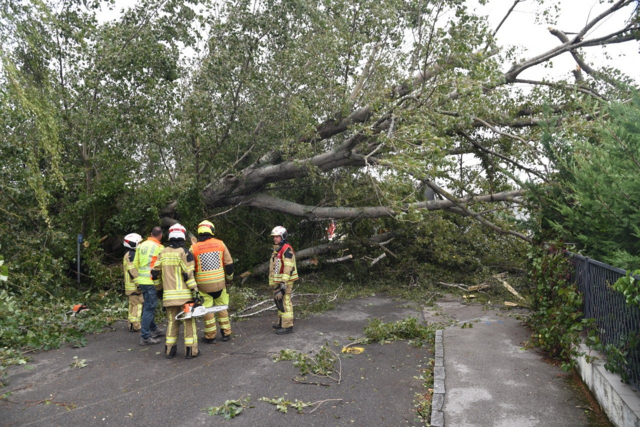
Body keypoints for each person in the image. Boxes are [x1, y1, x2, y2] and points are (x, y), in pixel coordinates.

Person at [153, 223, 200, 359]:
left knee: (172, 322)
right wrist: (195, 293)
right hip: (186, 297)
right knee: (189, 323)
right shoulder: (185, 253)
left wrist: (159, 290)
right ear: (183, 236)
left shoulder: (163, 253)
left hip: (169, 297)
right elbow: (188, 275)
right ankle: (191, 351)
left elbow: (155, 273)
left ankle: (169, 351)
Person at [190, 220, 234, 343]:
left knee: (207, 310)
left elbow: (190, 269)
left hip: (203, 286)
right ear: (212, 230)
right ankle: (226, 333)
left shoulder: (193, 248)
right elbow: (229, 265)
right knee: (222, 308)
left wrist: (192, 287)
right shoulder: (220, 244)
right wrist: (229, 280)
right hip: (220, 284)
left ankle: (210, 336)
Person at [133, 226, 165, 345]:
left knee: (148, 306)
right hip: (152, 282)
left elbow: (135, 263)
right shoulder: (160, 248)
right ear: (161, 235)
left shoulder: (141, 245)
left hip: (142, 280)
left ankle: (154, 330)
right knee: (149, 308)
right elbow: (162, 266)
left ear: (151, 233)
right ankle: (145, 337)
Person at [269, 226, 298, 334]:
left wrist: (283, 283)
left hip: (285, 281)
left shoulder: (286, 249)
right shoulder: (278, 249)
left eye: (277, 237)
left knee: (285, 301)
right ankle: (282, 322)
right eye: (274, 237)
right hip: (279, 281)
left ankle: (288, 326)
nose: (275, 239)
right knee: (279, 300)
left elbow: (288, 267)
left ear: (283, 237)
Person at [123, 233, 143, 332]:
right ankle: (136, 325)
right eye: (139, 242)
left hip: (130, 286)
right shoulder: (131, 255)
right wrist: (139, 284)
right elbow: (133, 271)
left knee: (132, 305)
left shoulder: (128, 254)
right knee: (137, 305)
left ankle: (131, 323)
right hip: (134, 287)